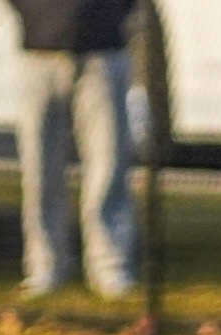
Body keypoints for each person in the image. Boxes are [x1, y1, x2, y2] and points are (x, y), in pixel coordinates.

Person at [8, 0, 140, 297]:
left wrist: (113, 14)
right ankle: (44, 268)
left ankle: (110, 267)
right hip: (39, 51)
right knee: (40, 170)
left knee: (109, 164)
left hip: (103, 49)